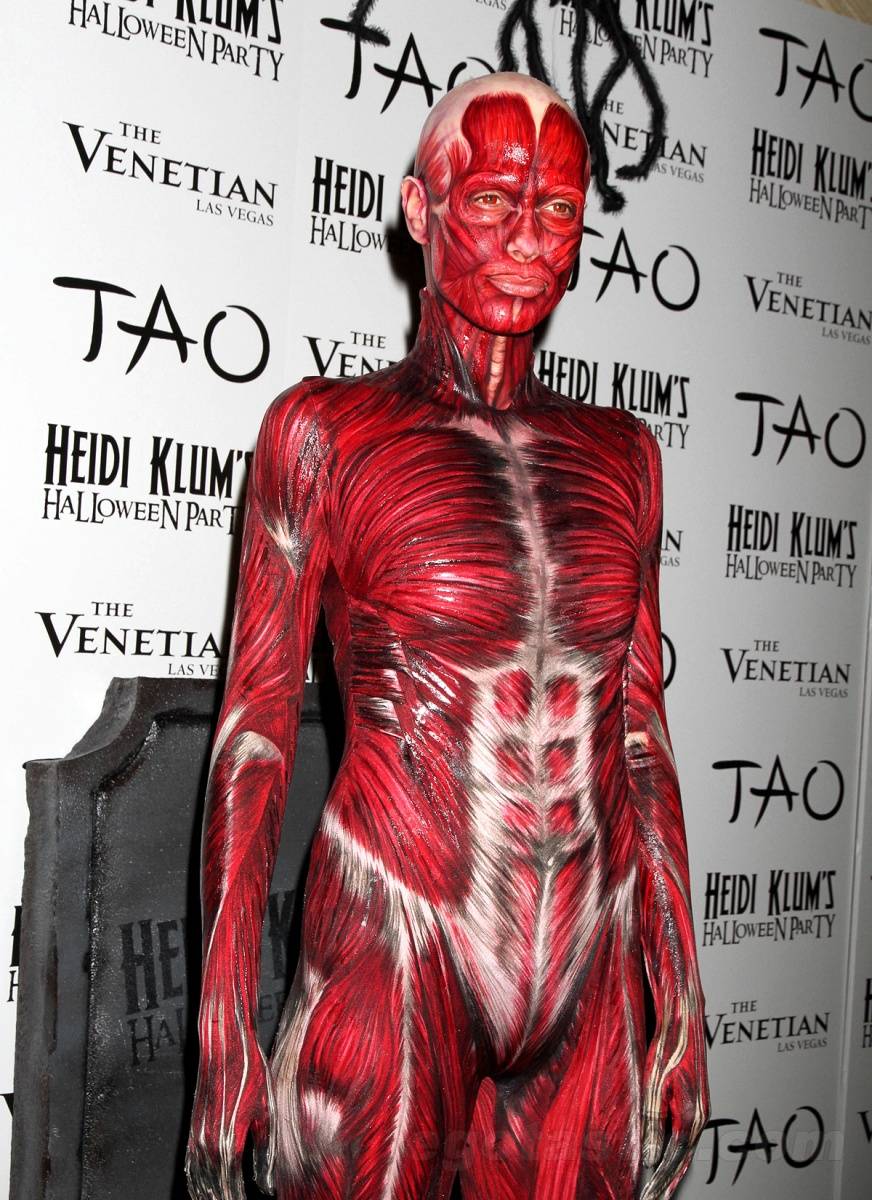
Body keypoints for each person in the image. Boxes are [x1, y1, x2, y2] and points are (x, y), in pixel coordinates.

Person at [185, 71, 709, 1200]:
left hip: (590, 953)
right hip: (398, 930)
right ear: (420, 212)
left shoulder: (624, 456)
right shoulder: (324, 434)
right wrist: (223, 1025)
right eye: (492, 201)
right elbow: (254, 737)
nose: (527, 239)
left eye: (557, 210)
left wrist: (681, 995)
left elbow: (639, 736)